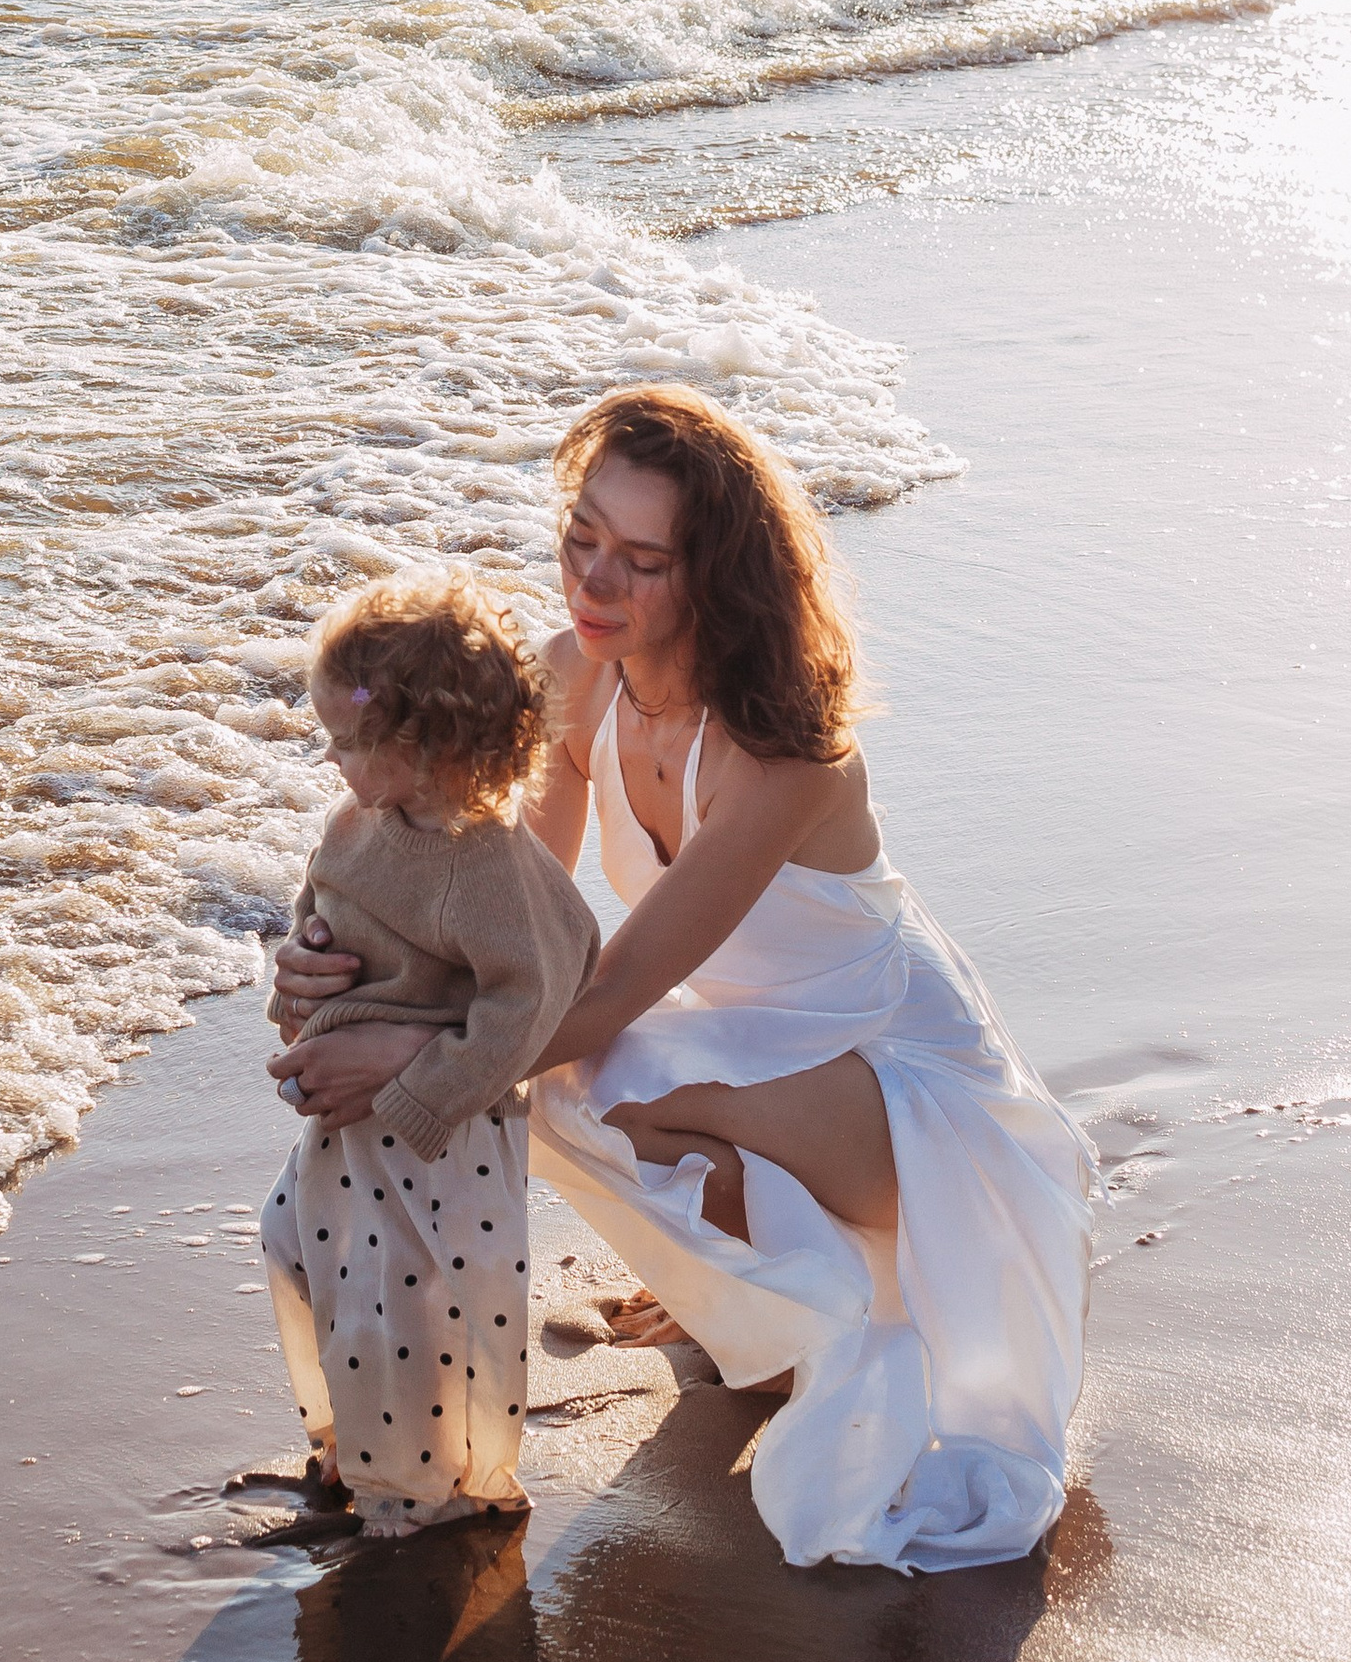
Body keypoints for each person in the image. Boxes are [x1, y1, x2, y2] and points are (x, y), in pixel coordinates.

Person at [269, 387, 1096, 1574]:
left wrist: (410, 1057)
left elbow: (601, 994)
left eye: (642, 561)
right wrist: (326, 963)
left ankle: (788, 1309)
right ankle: (739, 1308)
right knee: (549, 1074)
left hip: (911, 1099)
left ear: (715, 577)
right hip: (758, 1057)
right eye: (581, 538)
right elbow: (500, 917)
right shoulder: (572, 678)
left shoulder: (786, 754)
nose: (593, 583)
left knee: (590, 1074)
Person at [259, 574, 601, 1537]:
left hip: (440, 1135)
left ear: (419, 750)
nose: (330, 757)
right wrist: (301, 980)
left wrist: (419, 1094)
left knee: (409, 1316)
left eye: (345, 741)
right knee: (298, 1250)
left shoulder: (486, 862)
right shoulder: (355, 827)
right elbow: (313, 928)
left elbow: (539, 985)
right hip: (346, 1128)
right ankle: (350, 1438)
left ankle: (418, 1491)